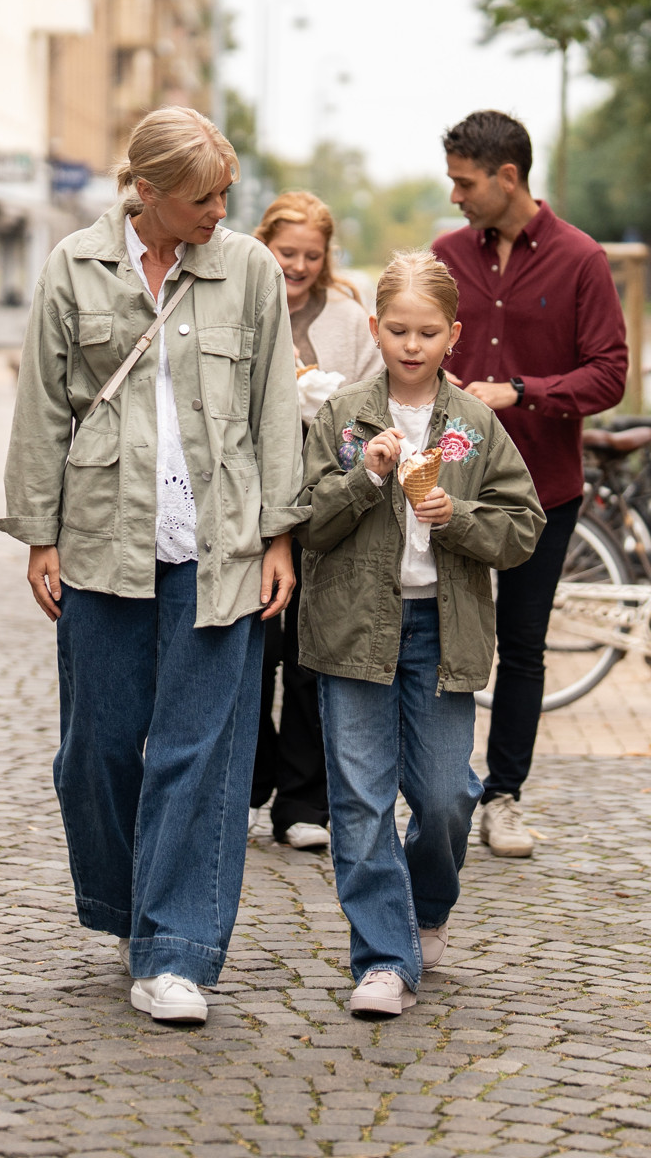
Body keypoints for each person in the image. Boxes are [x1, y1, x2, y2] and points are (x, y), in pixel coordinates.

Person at [0, 106, 305, 1029]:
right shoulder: (73, 267)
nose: (221, 210)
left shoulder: (247, 269)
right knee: (96, 748)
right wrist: (41, 534)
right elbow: (43, 406)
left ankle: (177, 950)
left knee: (198, 754)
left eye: (225, 194)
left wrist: (280, 537)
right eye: (204, 197)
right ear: (149, 193)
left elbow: (274, 407)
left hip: (222, 544)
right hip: (100, 538)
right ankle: (128, 908)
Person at [296, 251, 543, 1017]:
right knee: (363, 801)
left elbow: (523, 525)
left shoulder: (474, 422)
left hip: (442, 629)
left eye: (426, 332)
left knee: (442, 797)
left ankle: (426, 907)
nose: (410, 344)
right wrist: (364, 479)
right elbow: (304, 519)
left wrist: (457, 518)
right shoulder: (344, 416)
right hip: (353, 631)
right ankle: (382, 959)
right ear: (375, 329)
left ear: (453, 336)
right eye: (397, 329)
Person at [430, 110, 628, 859]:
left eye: (464, 181)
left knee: (522, 646)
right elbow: (413, 333)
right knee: (437, 634)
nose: (455, 196)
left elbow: (609, 371)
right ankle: (437, 787)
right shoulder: (447, 255)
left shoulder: (581, 260)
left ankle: (503, 797)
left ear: (507, 177)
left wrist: (523, 390)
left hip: (543, 488)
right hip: (451, 483)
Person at [251, 191, 381, 853]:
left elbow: (372, 407)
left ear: (326, 259)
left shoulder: (350, 319)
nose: (298, 265)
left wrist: (324, 398)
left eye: (311, 255)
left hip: (325, 506)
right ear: (265, 244)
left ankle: (304, 801)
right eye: (287, 252)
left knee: (308, 656)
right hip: (253, 503)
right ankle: (254, 771)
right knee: (253, 649)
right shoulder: (242, 299)